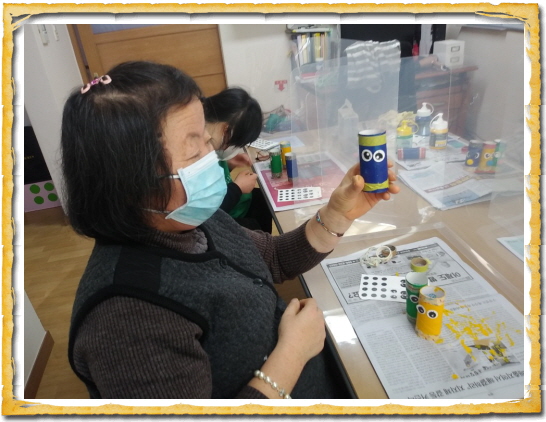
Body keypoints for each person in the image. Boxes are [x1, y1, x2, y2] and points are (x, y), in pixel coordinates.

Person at [62, 61, 400, 399]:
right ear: (131, 182)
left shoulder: (192, 220)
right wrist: (293, 353)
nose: (212, 156)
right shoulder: (128, 321)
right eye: (194, 149)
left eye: (207, 139)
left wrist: (338, 214)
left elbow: (274, 257)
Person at [203, 87, 273, 233]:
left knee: (263, 199)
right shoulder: (200, 154)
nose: (233, 148)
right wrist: (237, 188)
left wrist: (229, 164)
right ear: (226, 130)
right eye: (235, 144)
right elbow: (208, 213)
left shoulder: (211, 146)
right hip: (217, 220)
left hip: (230, 204)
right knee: (255, 225)